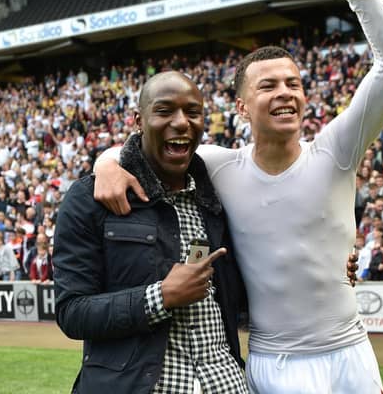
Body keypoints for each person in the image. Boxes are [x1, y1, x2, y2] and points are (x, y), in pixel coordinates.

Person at [94, 0, 383, 392]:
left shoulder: (337, 151)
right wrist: (106, 165)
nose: (285, 92)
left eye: (293, 84)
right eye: (268, 85)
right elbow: (142, 147)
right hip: (278, 363)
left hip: (351, 351)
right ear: (242, 108)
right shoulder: (219, 166)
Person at [53, 72, 249, 394]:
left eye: (193, 112)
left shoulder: (219, 196)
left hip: (225, 383)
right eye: (164, 111)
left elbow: (246, 291)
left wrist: (324, 271)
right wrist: (159, 297)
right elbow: (72, 311)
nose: (182, 122)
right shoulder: (91, 198)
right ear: (138, 121)